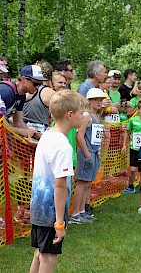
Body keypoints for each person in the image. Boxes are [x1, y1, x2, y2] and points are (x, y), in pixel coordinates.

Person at [29, 90, 85, 273]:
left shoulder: (47, 135)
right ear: (70, 115)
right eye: (80, 112)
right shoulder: (62, 145)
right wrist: (59, 223)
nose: (83, 116)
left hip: (38, 208)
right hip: (50, 213)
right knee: (48, 258)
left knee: (39, 254)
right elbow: (60, 185)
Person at [69, 88, 105, 224]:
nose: (99, 102)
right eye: (96, 99)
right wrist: (86, 153)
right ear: (89, 101)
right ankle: (75, 213)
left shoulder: (96, 116)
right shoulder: (87, 116)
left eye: (100, 100)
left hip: (94, 152)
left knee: (88, 183)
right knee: (82, 182)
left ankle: (82, 211)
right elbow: (80, 135)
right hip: (88, 152)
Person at [0, 65, 46, 138]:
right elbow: (1, 126)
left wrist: (38, 136)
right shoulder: (6, 92)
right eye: (35, 84)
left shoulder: (21, 96)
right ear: (24, 79)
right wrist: (22, 131)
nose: (37, 87)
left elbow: (18, 123)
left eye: (40, 84)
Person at [121, 100, 141, 195]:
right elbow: (127, 132)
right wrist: (124, 145)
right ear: (138, 110)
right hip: (134, 148)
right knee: (133, 169)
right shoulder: (133, 121)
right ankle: (130, 186)